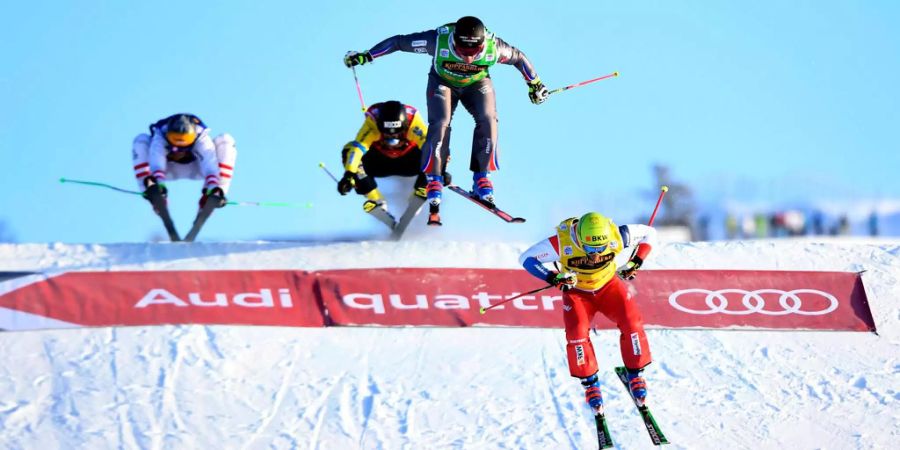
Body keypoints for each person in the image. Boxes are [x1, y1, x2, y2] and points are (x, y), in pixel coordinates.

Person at [344, 16, 548, 209]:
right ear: (454, 41)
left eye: (474, 51)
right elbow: (399, 42)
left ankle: (482, 177)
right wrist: (367, 55)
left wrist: (535, 84)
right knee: (440, 122)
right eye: (461, 50)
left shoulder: (494, 48)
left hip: (476, 84)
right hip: (443, 83)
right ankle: (433, 177)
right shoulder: (437, 41)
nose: (468, 58)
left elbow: (518, 58)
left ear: (482, 44)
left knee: (488, 119)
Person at [518, 212, 657, 416]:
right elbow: (527, 259)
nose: (596, 254)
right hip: (578, 293)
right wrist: (553, 277)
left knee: (632, 323)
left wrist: (636, 262)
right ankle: (590, 384)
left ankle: (636, 374)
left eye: (601, 248)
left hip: (609, 286)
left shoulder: (619, 235)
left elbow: (650, 234)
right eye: (591, 249)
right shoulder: (562, 243)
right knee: (576, 334)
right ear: (579, 239)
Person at [338, 100, 449, 220]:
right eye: (387, 135)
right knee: (349, 150)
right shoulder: (372, 123)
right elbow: (357, 149)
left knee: (433, 152)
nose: (392, 140)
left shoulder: (413, 122)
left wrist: (441, 171)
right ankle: (376, 200)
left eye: (397, 135)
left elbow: (433, 148)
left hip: (410, 161)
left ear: (405, 126)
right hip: (379, 163)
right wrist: (348, 175)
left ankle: (419, 194)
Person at [132, 113, 237, 211]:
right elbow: (157, 161)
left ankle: (217, 193)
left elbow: (209, 165)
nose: (179, 152)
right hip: (167, 169)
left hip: (197, 168)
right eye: (175, 147)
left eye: (184, 148)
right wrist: (158, 187)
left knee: (226, 140)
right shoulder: (161, 134)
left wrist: (213, 189)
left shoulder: (201, 137)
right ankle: (150, 191)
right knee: (141, 140)